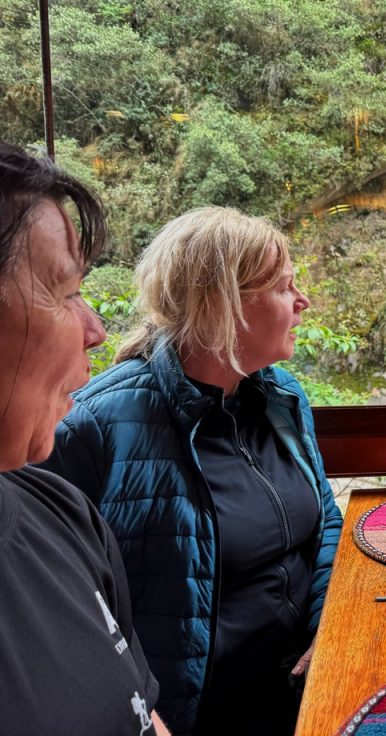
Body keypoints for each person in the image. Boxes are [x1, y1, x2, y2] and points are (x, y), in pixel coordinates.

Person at [41, 207, 343, 735]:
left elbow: (324, 525)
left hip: (308, 692)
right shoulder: (93, 427)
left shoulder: (282, 396)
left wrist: (330, 626)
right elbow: (61, 613)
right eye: (284, 287)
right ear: (221, 305)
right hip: (196, 715)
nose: (303, 302)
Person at [0, 143, 170, 734]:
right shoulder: (105, 419)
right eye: (67, 292)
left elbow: (141, 709)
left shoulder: (62, 514)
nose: (96, 330)